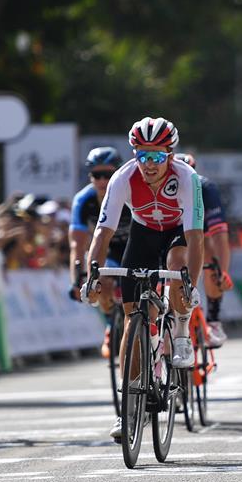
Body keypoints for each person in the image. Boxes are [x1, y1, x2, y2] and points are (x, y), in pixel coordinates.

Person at [80, 117, 204, 439]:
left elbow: (196, 238)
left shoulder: (187, 178)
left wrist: (191, 285)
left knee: (177, 263)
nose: (149, 164)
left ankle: (179, 329)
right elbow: (102, 234)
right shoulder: (124, 177)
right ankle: (128, 409)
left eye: (157, 156)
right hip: (144, 234)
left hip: (177, 233)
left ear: (170, 155)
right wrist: (91, 275)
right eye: (142, 155)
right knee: (132, 315)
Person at [68, 147, 131, 357]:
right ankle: (111, 323)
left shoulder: (131, 193)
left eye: (108, 175)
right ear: (90, 177)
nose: (103, 181)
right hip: (109, 251)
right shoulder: (83, 200)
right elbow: (76, 245)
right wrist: (77, 280)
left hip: (135, 246)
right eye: (97, 175)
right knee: (101, 281)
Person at [177, 153, 234, 348]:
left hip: (201, 233)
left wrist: (222, 271)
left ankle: (213, 319)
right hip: (174, 233)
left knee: (209, 254)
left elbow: (220, 236)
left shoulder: (206, 188)